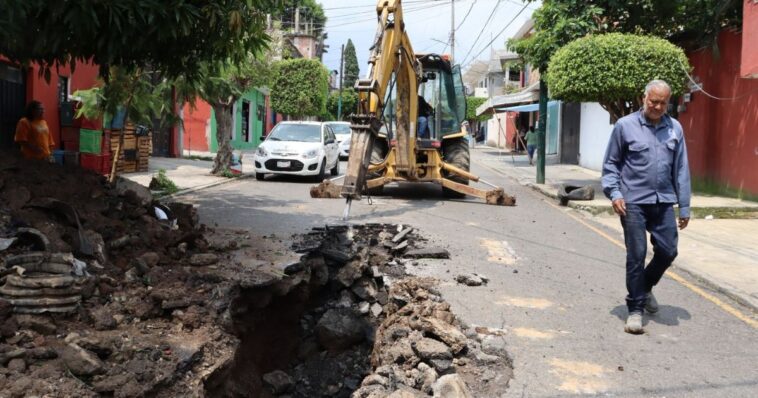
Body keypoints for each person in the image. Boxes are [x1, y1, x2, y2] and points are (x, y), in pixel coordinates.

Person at [601, 79, 691, 335]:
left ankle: (646, 286)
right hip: (633, 202)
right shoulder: (624, 126)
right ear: (644, 98)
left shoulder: (675, 128)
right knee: (636, 254)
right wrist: (615, 192)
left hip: (663, 200)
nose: (658, 106)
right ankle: (636, 308)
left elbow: (681, 168)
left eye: (663, 102)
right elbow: (611, 165)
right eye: (654, 101)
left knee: (668, 251)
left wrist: (684, 206)